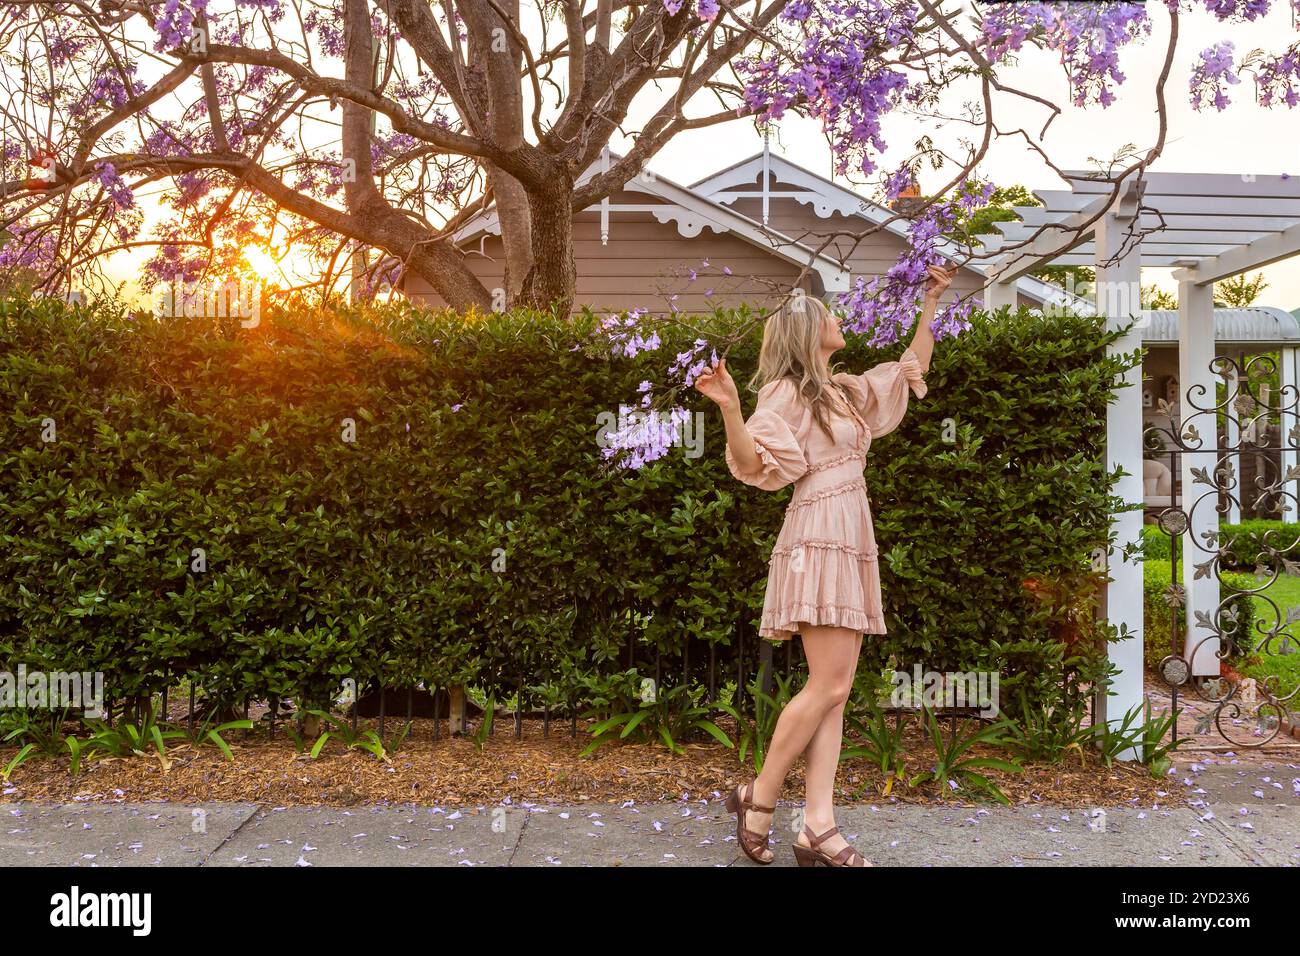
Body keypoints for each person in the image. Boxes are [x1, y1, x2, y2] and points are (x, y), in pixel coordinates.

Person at [693, 264, 956, 867]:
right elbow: (755, 463)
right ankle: (759, 798)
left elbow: (909, 369)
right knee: (830, 684)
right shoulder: (784, 393)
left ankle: (816, 823)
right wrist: (731, 409)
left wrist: (930, 304)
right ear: (809, 330)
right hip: (817, 533)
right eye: (829, 312)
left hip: (849, 531)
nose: (840, 317)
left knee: (834, 692)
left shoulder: (842, 389)